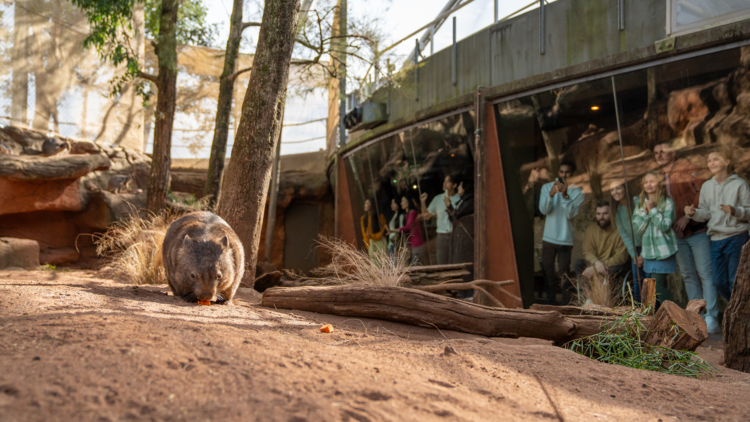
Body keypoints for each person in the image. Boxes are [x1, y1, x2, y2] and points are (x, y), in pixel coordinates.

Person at [654, 141, 719, 333]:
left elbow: (702, 192)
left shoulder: (686, 168)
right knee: (688, 275)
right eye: (656, 152)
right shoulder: (658, 176)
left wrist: (687, 216)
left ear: (673, 153)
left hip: (696, 229)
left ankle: (712, 316)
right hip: (676, 233)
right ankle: (695, 315)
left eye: (663, 151)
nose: (659, 155)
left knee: (705, 274)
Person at [685, 147, 750, 302]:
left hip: (737, 237)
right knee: (718, 282)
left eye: (716, 159)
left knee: (736, 281)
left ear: (727, 162)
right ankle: (737, 310)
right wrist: (694, 213)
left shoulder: (740, 184)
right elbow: (706, 214)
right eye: (709, 160)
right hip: (715, 240)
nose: (711, 162)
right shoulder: (707, 186)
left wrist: (735, 211)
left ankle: (739, 316)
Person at [539, 161, 584, 305]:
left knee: (564, 273)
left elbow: (571, 214)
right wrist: (551, 195)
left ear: (573, 174)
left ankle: (565, 304)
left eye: (567, 172)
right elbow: (543, 210)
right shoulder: (547, 187)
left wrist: (565, 196)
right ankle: (550, 302)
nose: (563, 175)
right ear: (557, 173)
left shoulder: (577, 192)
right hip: (548, 238)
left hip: (565, 239)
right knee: (547, 270)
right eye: (561, 172)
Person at [633, 170, 677, 305]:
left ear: (659, 183)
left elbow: (665, 226)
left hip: (664, 252)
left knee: (658, 286)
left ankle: (678, 317)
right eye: (646, 182)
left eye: (652, 181)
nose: (649, 184)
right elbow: (637, 230)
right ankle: (660, 318)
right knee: (651, 289)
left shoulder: (667, 203)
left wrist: (652, 210)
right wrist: (647, 215)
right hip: (649, 253)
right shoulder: (640, 204)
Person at [572, 201, 629, 304]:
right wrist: (596, 263)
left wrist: (595, 269)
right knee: (578, 264)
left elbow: (621, 257)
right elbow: (588, 251)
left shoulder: (620, 229)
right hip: (596, 263)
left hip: (612, 265)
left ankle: (609, 302)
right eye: (598, 214)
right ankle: (587, 299)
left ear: (611, 214)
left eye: (605, 213)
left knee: (618, 267)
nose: (601, 217)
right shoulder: (591, 229)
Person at [610, 180, 648, 302]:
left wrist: (644, 253)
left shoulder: (638, 202)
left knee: (650, 281)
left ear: (625, 188)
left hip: (649, 246)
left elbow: (648, 226)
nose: (615, 192)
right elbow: (625, 236)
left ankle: (654, 312)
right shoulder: (617, 210)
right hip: (635, 249)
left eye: (618, 188)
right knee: (637, 282)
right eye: (612, 190)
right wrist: (635, 255)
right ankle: (639, 313)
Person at [420, 174, 462, 265]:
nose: (445, 184)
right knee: (442, 263)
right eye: (444, 181)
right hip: (442, 235)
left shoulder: (459, 198)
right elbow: (426, 216)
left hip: (455, 235)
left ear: (454, 185)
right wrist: (423, 202)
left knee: (456, 262)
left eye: (448, 182)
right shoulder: (438, 198)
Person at [447, 179, 475, 299]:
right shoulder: (463, 200)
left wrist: (448, 205)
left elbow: (457, 215)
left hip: (467, 240)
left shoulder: (470, 200)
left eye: (460, 186)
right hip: (460, 238)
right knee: (459, 266)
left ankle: (468, 294)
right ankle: (461, 294)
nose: (458, 188)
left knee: (466, 268)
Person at [390, 195, 426, 265]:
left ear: (408, 202)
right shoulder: (407, 214)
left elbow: (408, 227)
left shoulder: (412, 213)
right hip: (413, 244)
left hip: (417, 243)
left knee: (416, 266)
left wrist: (393, 231)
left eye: (403, 201)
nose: (401, 203)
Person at [387, 198, 405, 264]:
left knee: (397, 264)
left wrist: (392, 231)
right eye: (391, 203)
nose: (392, 205)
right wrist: (389, 245)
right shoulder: (393, 216)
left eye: (394, 203)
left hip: (397, 242)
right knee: (392, 264)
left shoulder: (401, 216)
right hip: (391, 242)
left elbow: (401, 229)